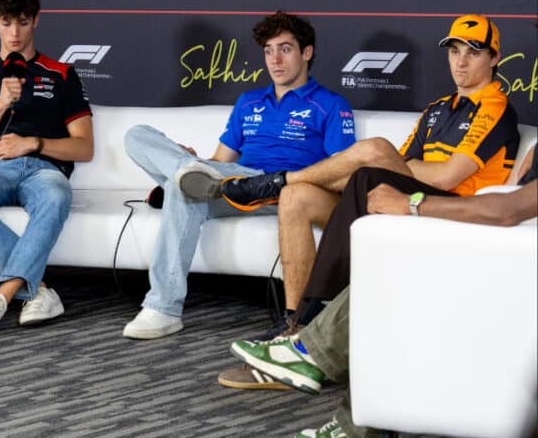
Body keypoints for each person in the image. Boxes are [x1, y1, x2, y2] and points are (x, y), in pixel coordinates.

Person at [210, 14, 519, 341]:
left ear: (494, 58)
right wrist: (392, 166)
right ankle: (295, 322)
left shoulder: (496, 107)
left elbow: (445, 177)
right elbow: (400, 164)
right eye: (455, 51)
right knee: (296, 198)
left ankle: (279, 179)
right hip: (404, 199)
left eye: (473, 52)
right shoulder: (438, 108)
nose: (461, 61)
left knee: (375, 150)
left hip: (446, 209)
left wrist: (392, 165)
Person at [228, 147, 536, 437]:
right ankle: (342, 400)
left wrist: (411, 203)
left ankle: (312, 355)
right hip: (512, 256)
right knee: (399, 260)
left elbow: (508, 210)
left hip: (514, 266)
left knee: (402, 267)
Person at [120, 11, 356, 341]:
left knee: (182, 186)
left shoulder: (330, 105)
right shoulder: (249, 102)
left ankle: (161, 305)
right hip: (234, 183)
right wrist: (192, 162)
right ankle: (164, 309)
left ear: (307, 52)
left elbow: (341, 172)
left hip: (278, 188)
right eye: (269, 51)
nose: (275, 60)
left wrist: (288, 180)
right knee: (138, 136)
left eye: (285, 49)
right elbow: (220, 161)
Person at [0, 0, 94, 333]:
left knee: (57, 195)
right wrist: (0, 103)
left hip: (43, 169)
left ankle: (2, 296)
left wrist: (33, 143)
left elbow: (84, 147)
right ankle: (40, 291)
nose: (15, 33)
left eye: (23, 22)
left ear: (36, 21)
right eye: (7, 22)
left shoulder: (61, 74)